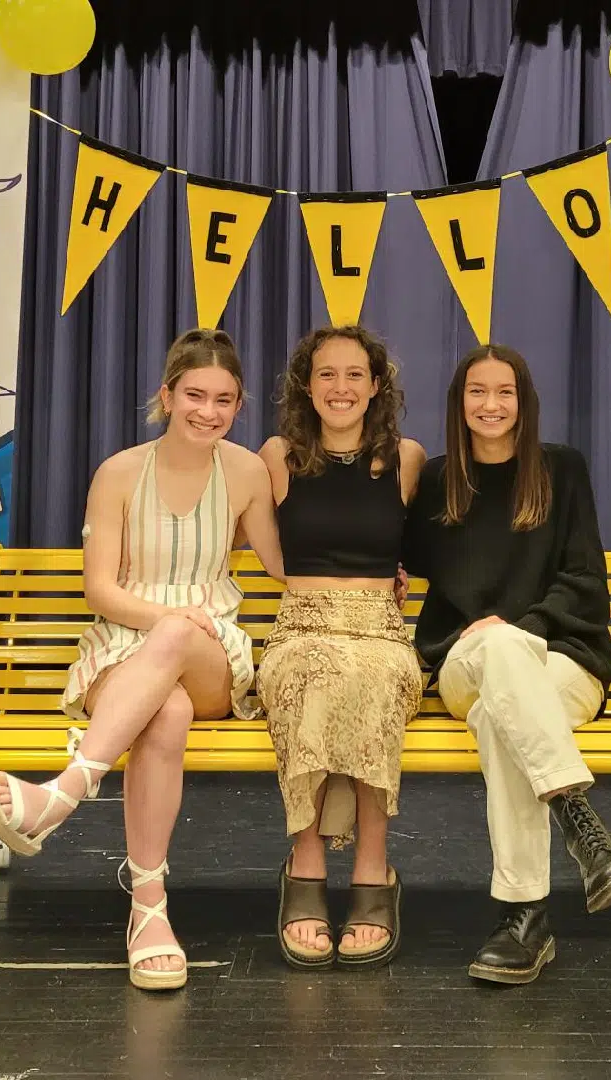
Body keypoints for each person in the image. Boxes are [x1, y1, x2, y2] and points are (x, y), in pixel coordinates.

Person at [0, 328, 281, 992]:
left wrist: (373, 570)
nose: (208, 411)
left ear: (239, 404)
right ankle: (149, 911)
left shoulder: (248, 470)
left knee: (176, 650)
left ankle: (61, 795)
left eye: (224, 399)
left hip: (210, 649)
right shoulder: (117, 471)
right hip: (122, 639)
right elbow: (100, 589)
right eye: (194, 394)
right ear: (166, 394)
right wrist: (162, 619)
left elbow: (284, 568)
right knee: (163, 714)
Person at [404, 344, 611, 986]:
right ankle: (581, 824)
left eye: (504, 392)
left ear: (524, 401)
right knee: (496, 661)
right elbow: (395, 560)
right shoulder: (435, 481)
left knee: (498, 718)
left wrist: (520, 629)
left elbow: (585, 579)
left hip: (562, 662)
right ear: (459, 403)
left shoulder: (561, 471)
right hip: (465, 663)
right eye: (476, 392)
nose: (491, 404)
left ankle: (524, 913)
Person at [256, 325, 426, 971]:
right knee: (308, 673)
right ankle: (305, 861)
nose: (341, 388)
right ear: (306, 384)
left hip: (380, 629)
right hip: (301, 625)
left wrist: (397, 577)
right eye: (327, 374)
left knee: (375, 678)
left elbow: (427, 543)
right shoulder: (277, 455)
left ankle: (371, 869)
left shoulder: (407, 458)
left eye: (355, 375)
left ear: (376, 385)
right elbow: (253, 538)